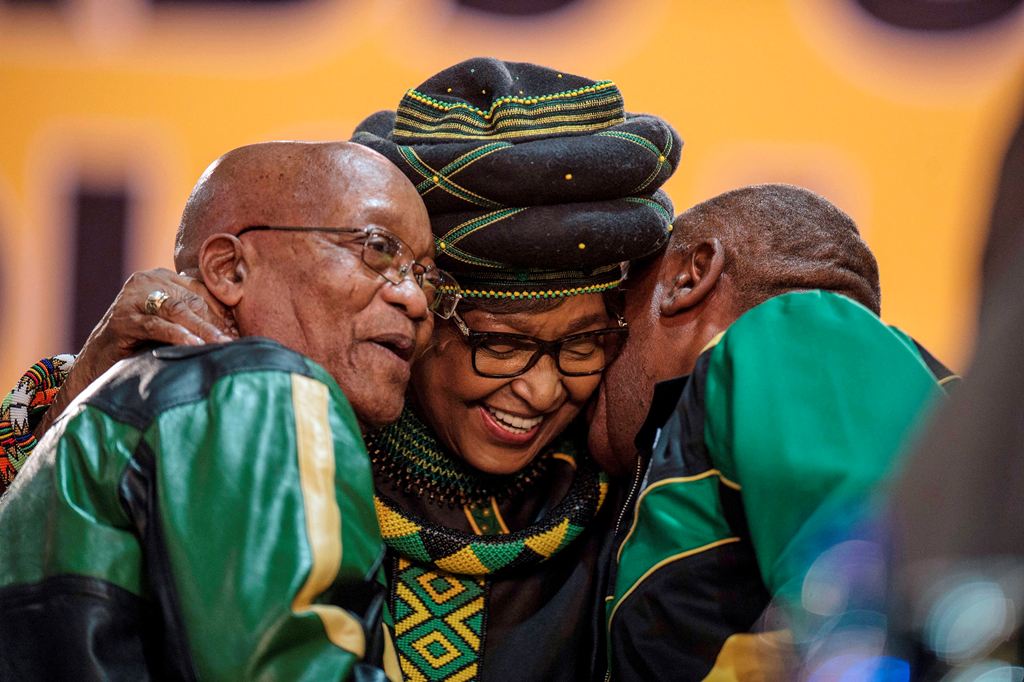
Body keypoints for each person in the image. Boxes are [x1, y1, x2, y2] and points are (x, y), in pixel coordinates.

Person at [1, 59, 682, 681]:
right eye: (499, 343)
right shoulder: (235, 414)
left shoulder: (633, 500)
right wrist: (88, 398)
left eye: (584, 345)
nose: (539, 389)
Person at [0, 140, 459, 680]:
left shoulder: (108, 415)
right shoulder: (259, 388)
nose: (417, 301)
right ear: (230, 269)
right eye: (379, 248)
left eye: (427, 277)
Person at [587, 183, 956, 680]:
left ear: (687, 279)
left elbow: (879, 611)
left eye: (614, 308)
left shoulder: (804, 334)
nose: (593, 347)